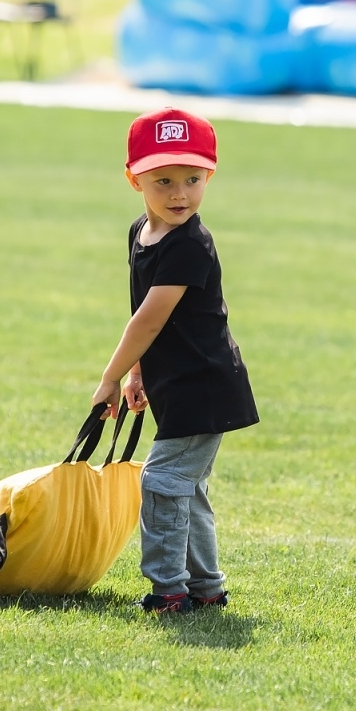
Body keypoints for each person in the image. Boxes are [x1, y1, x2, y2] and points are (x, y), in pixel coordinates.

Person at [91, 108, 259, 615]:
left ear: (210, 174)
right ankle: (206, 587)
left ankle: (168, 590)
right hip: (177, 384)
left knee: (162, 482)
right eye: (162, 180)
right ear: (133, 179)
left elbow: (148, 320)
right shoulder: (140, 232)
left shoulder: (191, 246)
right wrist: (139, 371)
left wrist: (110, 376)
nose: (179, 193)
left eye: (192, 178)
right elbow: (145, 311)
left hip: (204, 386)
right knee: (187, 487)